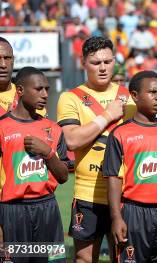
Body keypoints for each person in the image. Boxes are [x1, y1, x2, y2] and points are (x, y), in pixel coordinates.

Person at [57, 36, 135, 263]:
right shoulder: (71, 98)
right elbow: (71, 140)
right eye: (95, 63)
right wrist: (108, 116)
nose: (102, 67)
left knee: (122, 258)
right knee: (83, 260)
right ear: (84, 63)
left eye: (107, 62)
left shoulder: (129, 97)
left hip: (124, 194)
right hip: (87, 194)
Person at [103, 71, 157, 263]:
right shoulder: (119, 134)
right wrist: (116, 217)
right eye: (152, 92)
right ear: (134, 95)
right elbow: (113, 180)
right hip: (133, 213)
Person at [0, 66, 69, 263]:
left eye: (47, 89)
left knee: (52, 261)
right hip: (12, 212)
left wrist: (47, 153)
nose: (45, 94)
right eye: (38, 89)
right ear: (20, 90)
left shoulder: (54, 129)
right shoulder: (2, 127)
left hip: (47, 209)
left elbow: (64, 177)